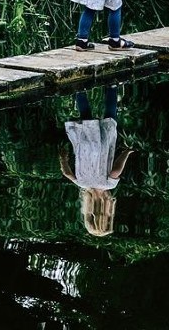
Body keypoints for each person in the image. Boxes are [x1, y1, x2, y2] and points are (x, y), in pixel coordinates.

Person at [60, 86, 133, 236]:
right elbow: (67, 173)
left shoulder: (108, 184)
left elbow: (116, 170)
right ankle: (79, 89)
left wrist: (126, 152)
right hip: (86, 144)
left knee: (110, 115)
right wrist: (63, 158)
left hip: (103, 145)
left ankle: (111, 86)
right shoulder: (81, 183)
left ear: (107, 213)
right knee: (85, 113)